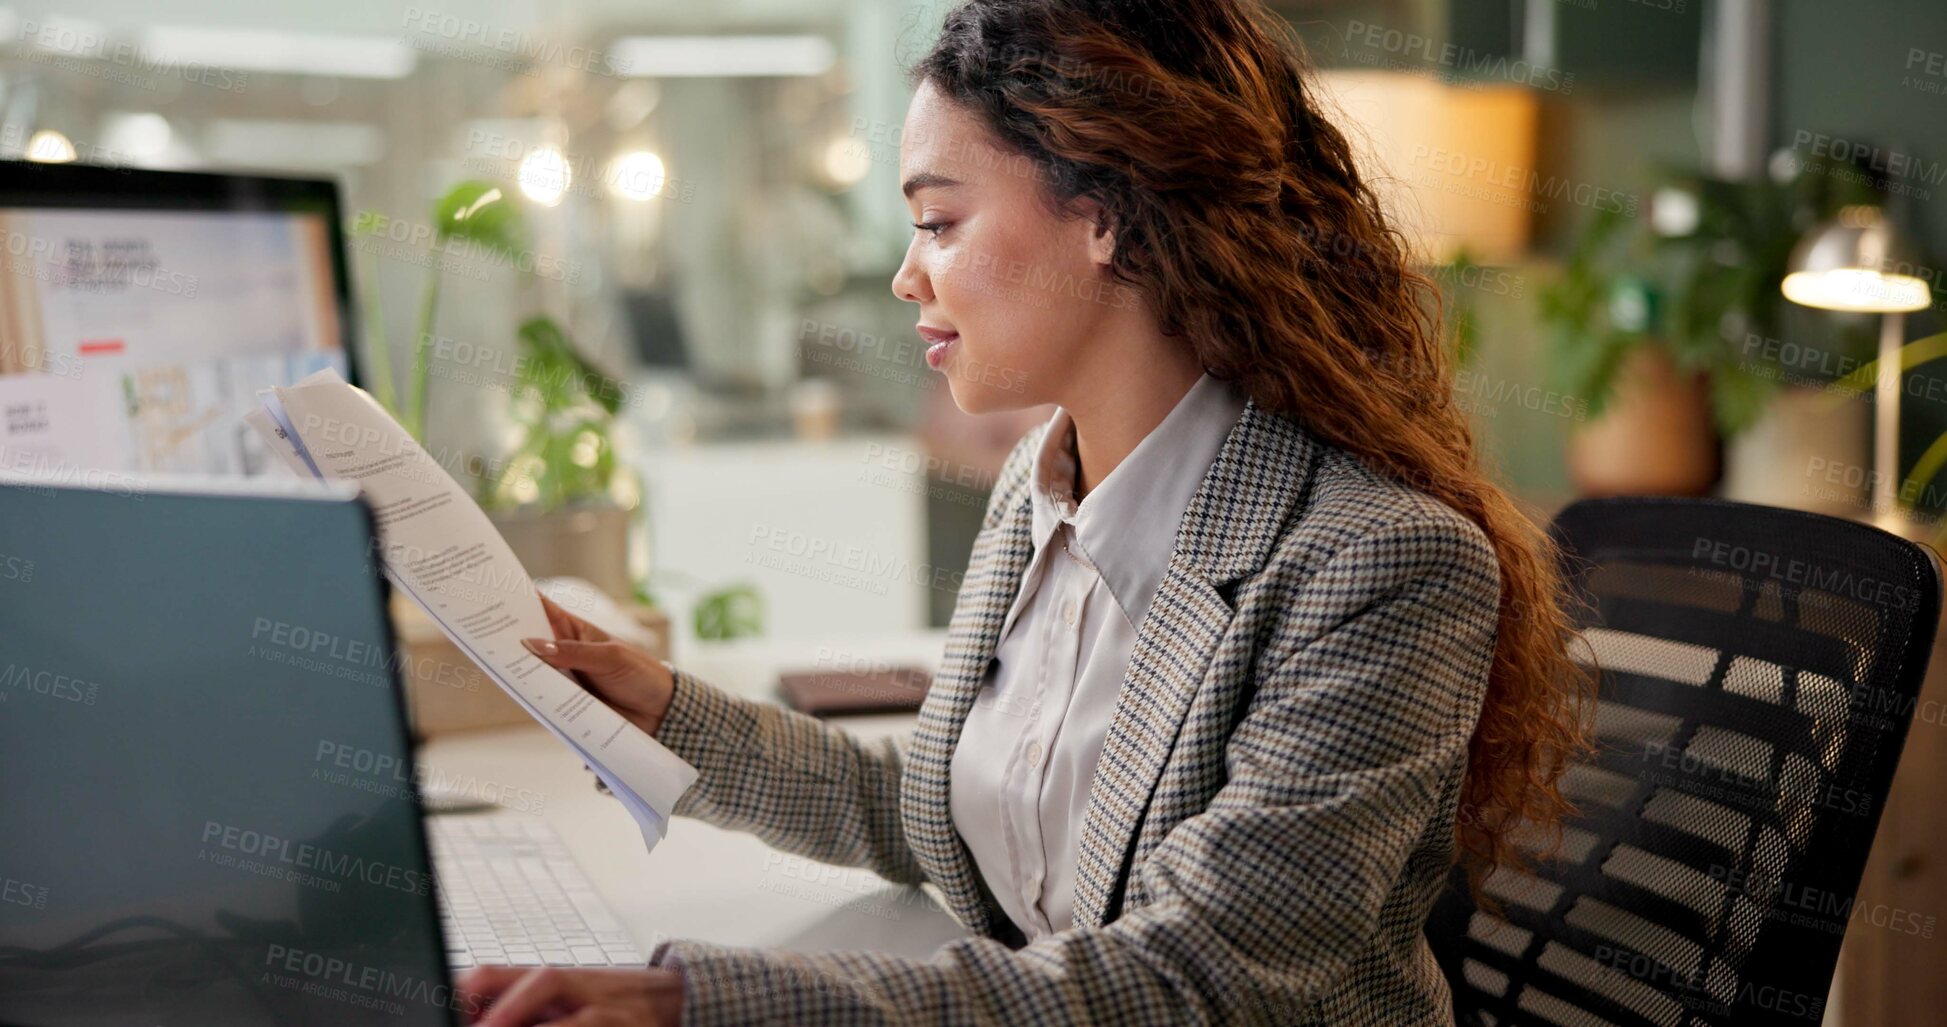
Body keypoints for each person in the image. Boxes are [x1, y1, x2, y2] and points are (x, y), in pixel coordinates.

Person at [463, 0, 1589, 1022]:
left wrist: (702, 1004)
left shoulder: (1382, 563)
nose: (909, 276)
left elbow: (1199, 976)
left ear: (1104, 215)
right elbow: (952, 815)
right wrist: (667, 713)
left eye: (940, 222)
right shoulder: (1042, 486)